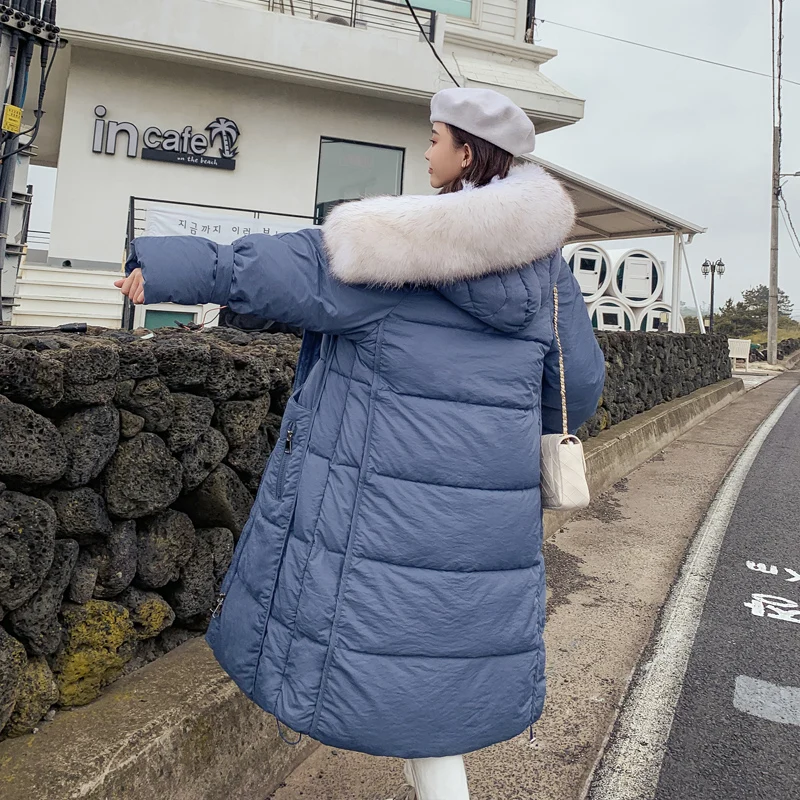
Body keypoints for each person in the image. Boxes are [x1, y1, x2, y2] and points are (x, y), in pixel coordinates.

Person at [117, 87, 605, 800]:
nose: (429, 150)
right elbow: (576, 392)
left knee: (404, 678)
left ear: (468, 153)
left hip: (387, 512)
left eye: (437, 138)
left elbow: (286, 271)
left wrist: (171, 268)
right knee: (441, 684)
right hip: (484, 526)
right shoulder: (549, 274)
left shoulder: (402, 248)